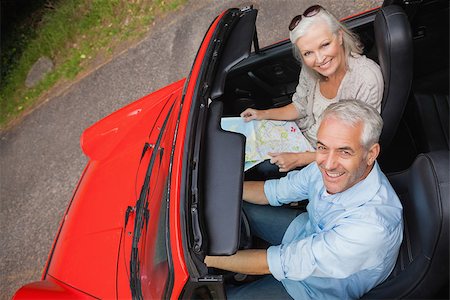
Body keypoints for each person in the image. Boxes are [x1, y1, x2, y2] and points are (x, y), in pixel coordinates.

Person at [205, 100, 403, 300]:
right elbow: (273, 191)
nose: (329, 164)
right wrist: (215, 189)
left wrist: (201, 258)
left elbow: (276, 263)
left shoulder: (371, 227)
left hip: (316, 290)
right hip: (305, 232)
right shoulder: (326, 165)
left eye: (345, 151)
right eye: (322, 147)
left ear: (371, 154)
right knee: (234, 205)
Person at [241, 5, 383, 173]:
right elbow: (299, 107)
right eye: (308, 53)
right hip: (301, 137)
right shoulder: (311, 70)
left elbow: (354, 147)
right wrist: (262, 114)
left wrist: (300, 159)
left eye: (325, 45)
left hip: (329, 159)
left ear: (339, 37)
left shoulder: (366, 78)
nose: (320, 59)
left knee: (262, 167)